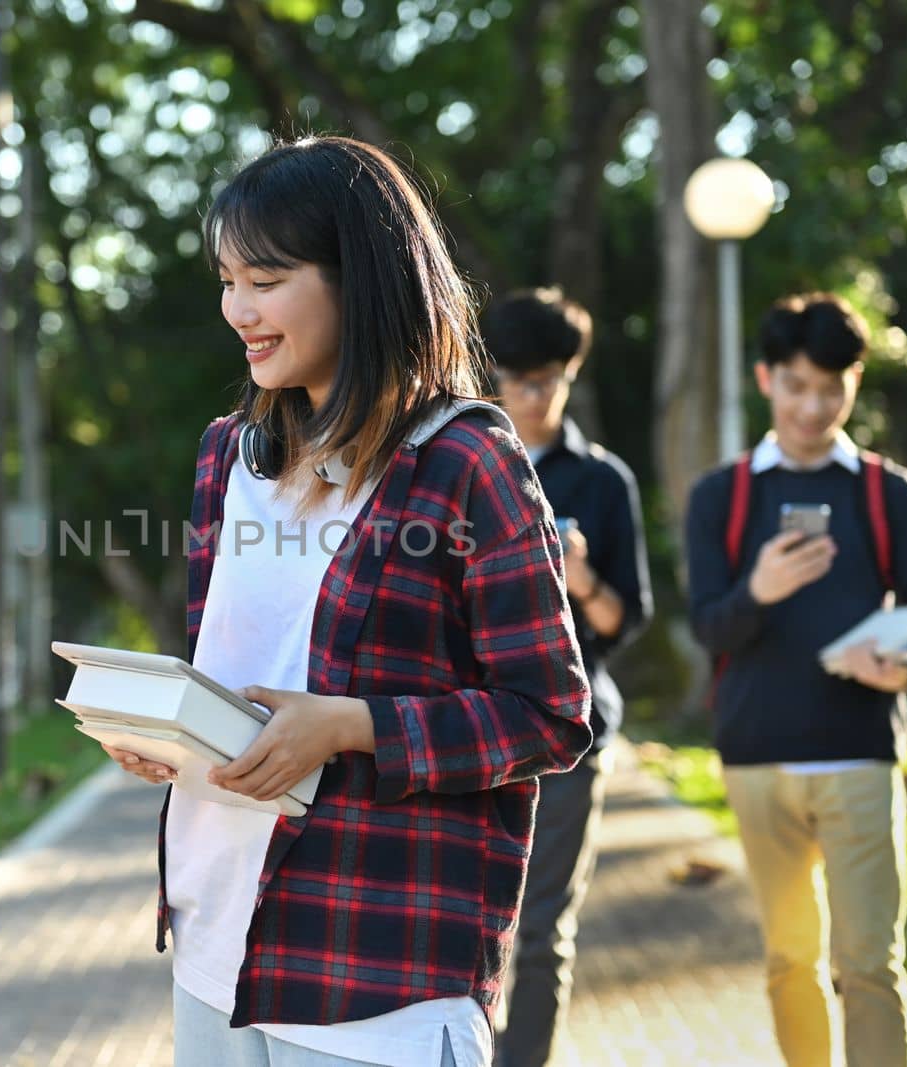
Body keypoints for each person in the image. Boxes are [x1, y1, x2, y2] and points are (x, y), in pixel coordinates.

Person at [101, 136, 592, 1067]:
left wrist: (352, 725)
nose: (237, 310)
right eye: (227, 279)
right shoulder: (226, 457)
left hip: (374, 970)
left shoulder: (467, 461)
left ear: (356, 278)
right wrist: (172, 730)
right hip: (215, 939)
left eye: (266, 280)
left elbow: (550, 715)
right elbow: (234, 671)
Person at [684, 292, 907, 1067]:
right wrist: (758, 590)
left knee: (870, 961)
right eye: (798, 385)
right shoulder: (723, 496)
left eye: (832, 388)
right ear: (767, 378)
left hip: (860, 752)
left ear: (854, 384)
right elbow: (709, 625)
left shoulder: (891, 492)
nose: (814, 406)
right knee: (788, 958)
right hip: (757, 759)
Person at [480, 289, 652, 1067]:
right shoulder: (462, 469)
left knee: (543, 928)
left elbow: (626, 620)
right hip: (474, 728)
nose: (536, 395)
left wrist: (581, 577)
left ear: (570, 375)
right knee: (467, 921)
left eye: (550, 377)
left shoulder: (604, 480)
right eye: (519, 378)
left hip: (573, 735)